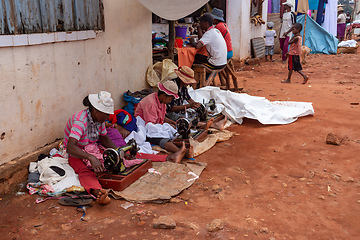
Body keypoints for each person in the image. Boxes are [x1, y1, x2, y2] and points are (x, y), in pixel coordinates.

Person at [64, 91, 117, 205]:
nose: (108, 117)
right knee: (84, 171)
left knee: (112, 158)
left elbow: (105, 139)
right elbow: (70, 147)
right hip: (76, 152)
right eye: (106, 114)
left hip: (91, 148)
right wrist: (91, 157)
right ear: (96, 110)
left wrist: (117, 151)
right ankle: (98, 192)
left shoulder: (98, 119)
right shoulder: (80, 121)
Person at [134, 80, 191, 160]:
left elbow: (161, 118)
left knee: (172, 131)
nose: (170, 101)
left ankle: (183, 147)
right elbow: (150, 125)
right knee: (161, 138)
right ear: (164, 95)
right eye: (170, 99)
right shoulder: (151, 103)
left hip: (153, 124)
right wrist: (164, 127)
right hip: (143, 127)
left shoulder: (162, 102)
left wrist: (173, 123)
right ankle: (181, 152)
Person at [166, 66, 228, 131]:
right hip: (170, 114)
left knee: (194, 115)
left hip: (179, 111)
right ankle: (213, 125)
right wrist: (188, 106)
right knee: (184, 120)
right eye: (188, 81)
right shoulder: (172, 86)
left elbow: (189, 99)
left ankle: (209, 123)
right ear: (181, 79)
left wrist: (196, 105)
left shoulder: (183, 86)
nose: (189, 84)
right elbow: (171, 108)